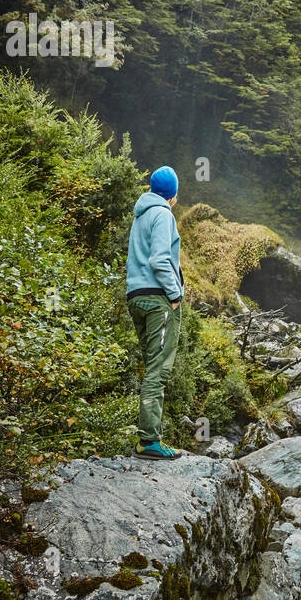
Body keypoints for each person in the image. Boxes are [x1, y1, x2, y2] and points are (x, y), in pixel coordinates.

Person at [125, 166, 184, 459]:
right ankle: (149, 441)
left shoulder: (141, 215)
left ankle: (146, 438)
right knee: (158, 370)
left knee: (151, 366)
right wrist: (174, 296)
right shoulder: (163, 214)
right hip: (157, 300)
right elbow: (159, 260)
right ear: (172, 194)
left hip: (136, 297)